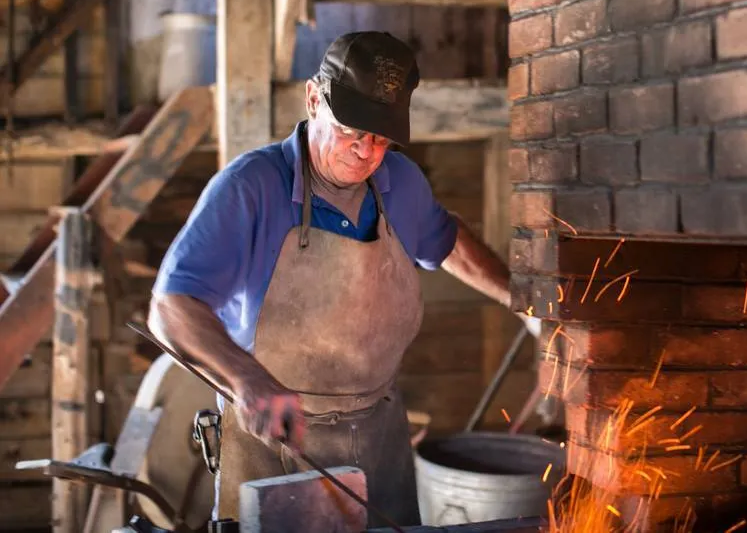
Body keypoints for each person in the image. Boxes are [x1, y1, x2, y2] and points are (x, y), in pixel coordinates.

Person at [147, 31, 540, 526]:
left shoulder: (401, 182)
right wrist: (247, 378)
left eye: (380, 138)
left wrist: (526, 305)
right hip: (277, 444)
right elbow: (171, 307)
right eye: (351, 130)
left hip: (380, 438)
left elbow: (447, 239)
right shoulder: (250, 189)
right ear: (314, 99)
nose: (364, 151)